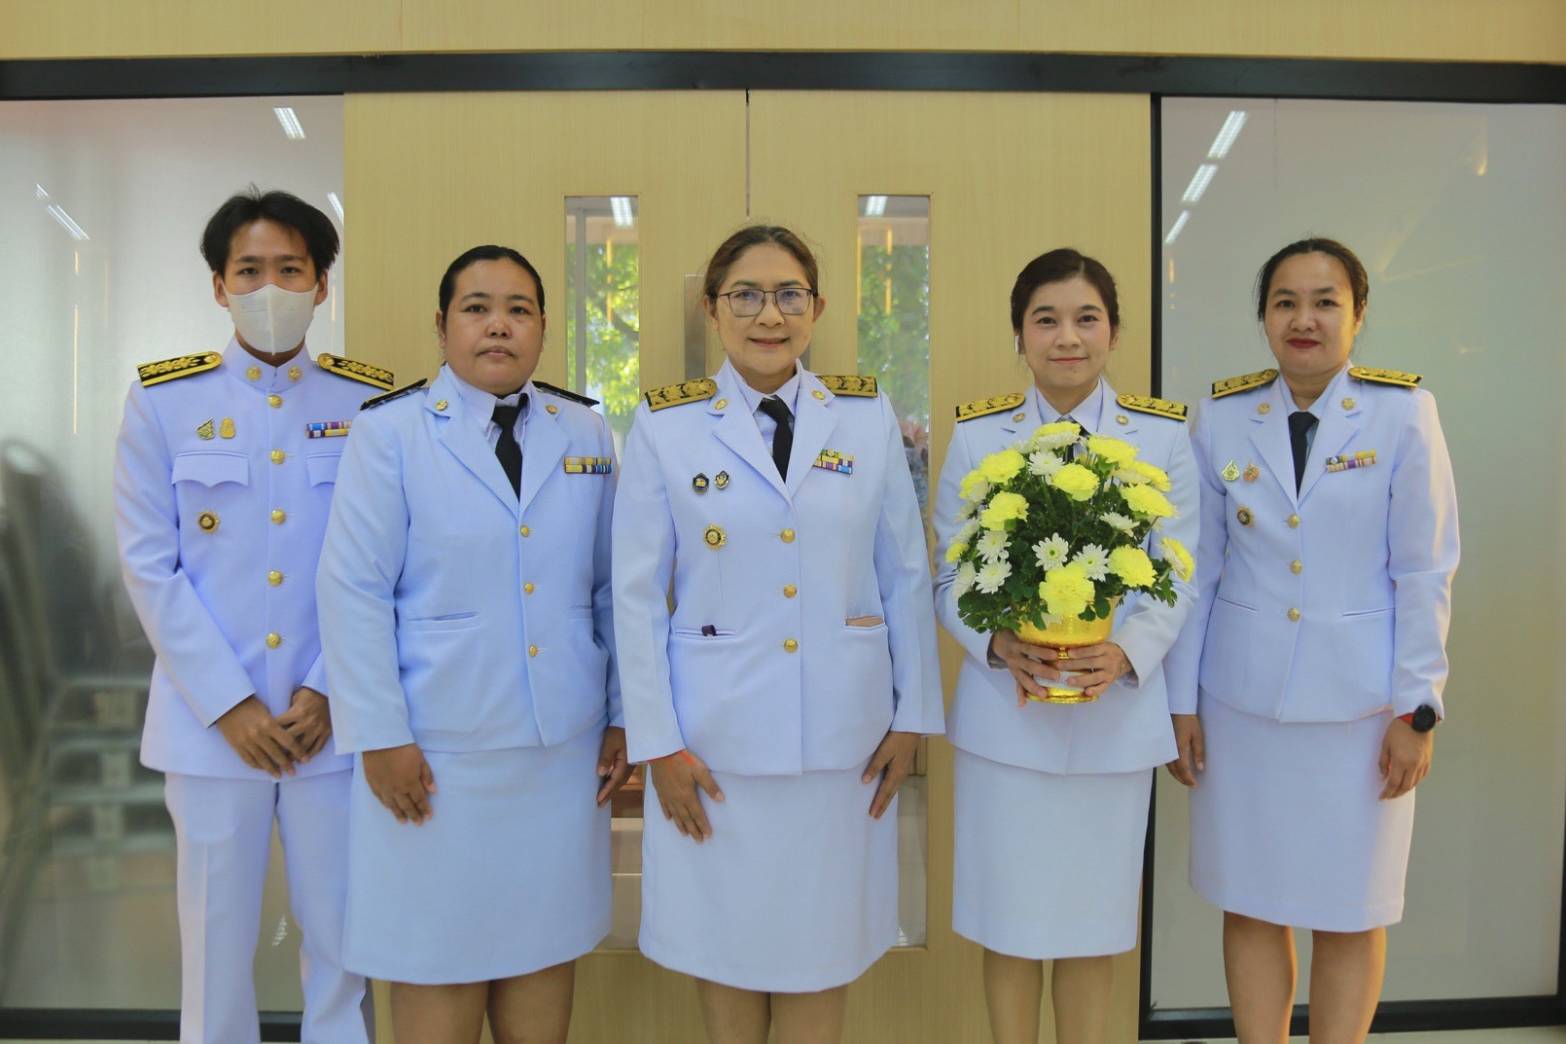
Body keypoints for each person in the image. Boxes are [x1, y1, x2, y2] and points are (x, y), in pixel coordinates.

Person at [612, 225, 944, 1044]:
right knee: (725, 959)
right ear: (712, 310)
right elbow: (636, 596)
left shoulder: (865, 418)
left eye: (790, 294)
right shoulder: (665, 425)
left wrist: (913, 718)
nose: (770, 314)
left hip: (843, 746)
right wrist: (657, 745)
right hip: (712, 751)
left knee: (820, 960)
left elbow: (904, 571)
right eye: (747, 296)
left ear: (817, 308)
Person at [315, 245, 629, 1044]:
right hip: (432, 759)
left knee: (539, 977)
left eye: (519, 309)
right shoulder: (389, 434)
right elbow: (353, 592)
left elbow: (610, 589)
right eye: (477, 307)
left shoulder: (585, 429)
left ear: (544, 328)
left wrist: (621, 715)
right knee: (436, 975)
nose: (499, 325)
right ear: (443, 324)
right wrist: (379, 735)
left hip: (557, 756)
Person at [1164, 238, 1459, 1042]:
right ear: (1263, 316)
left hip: (1362, 713)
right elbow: (1197, 574)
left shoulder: (1402, 414)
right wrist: (1179, 703)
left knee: (1350, 909)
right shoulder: (1223, 418)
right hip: (1242, 706)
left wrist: (1417, 710)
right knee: (1252, 900)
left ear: (1358, 315)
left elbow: (1427, 570)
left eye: (1325, 301)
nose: (1304, 319)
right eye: (1285, 301)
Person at [114, 187, 388, 1044]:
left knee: (344, 945)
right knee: (214, 946)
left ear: (322, 285)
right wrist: (229, 703)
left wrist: (330, 689)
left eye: (291, 270)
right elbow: (148, 563)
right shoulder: (163, 401)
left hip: (331, 727)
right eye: (250, 270)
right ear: (218, 285)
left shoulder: (369, 408)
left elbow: (385, 563)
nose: (271, 287)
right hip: (208, 729)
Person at [930, 248, 1198, 1044]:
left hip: (1114, 721)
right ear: (1020, 334)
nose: (1067, 338)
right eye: (1045, 319)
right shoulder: (980, 439)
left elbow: (1182, 573)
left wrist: (1128, 653)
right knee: (1009, 925)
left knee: (1093, 927)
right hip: (1005, 724)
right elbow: (948, 578)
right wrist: (998, 643)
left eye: (1086, 318)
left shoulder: (1162, 438)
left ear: (1113, 330)